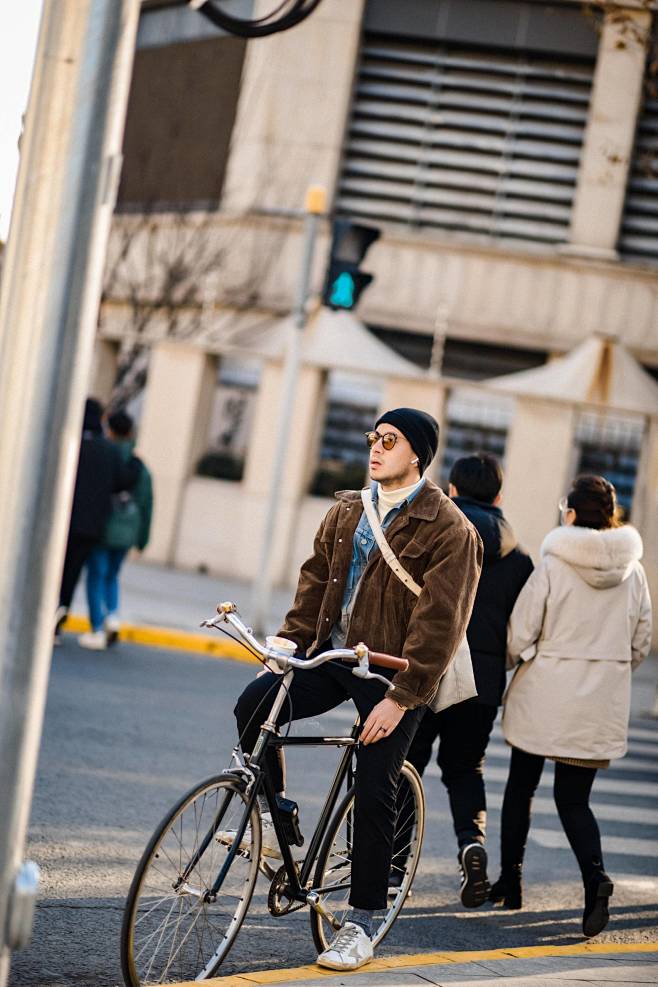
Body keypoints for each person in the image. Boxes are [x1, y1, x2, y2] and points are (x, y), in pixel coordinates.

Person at [231, 408, 483, 971]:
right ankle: (276, 825)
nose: (375, 447)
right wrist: (288, 648)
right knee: (254, 705)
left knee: (375, 786)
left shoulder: (450, 528)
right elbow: (316, 579)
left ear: (416, 454)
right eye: (372, 437)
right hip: (335, 653)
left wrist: (401, 697)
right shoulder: (349, 508)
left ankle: (363, 920)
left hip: (395, 672)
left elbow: (442, 624)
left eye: (388, 441)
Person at [491, 474, 652, 938]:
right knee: (573, 799)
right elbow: (640, 641)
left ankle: (511, 882)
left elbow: (521, 631)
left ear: (573, 513)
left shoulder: (553, 565)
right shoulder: (634, 571)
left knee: (521, 786)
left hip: (544, 694)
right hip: (597, 702)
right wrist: (608, 670)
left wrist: (517, 660)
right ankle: (595, 878)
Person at [401, 453, 533, 908]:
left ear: (451, 490)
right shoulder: (521, 560)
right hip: (480, 681)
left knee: (404, 765)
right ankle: (470, 845)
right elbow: (523, 628)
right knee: (464, 769)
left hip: (424, 671)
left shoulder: (433, 533)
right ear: (498, 497)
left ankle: (393, 867)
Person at [55, 398, 136, 643]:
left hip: (64, 522)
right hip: (93, 526)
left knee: (62, 572)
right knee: (76, 573)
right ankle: (63, 613)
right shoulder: (109, 451)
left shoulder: (73, 443)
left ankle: (59, 616)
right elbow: (124, 482)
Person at [79, 409, 153, 651]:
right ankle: (113, 615)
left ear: (109, 430)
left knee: (96, 576)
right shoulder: (139, 465)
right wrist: (141, 538)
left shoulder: (104, 455)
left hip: (103, 527)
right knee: (111, 575)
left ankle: (97, 629)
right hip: (127, 530)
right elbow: (146, 504)